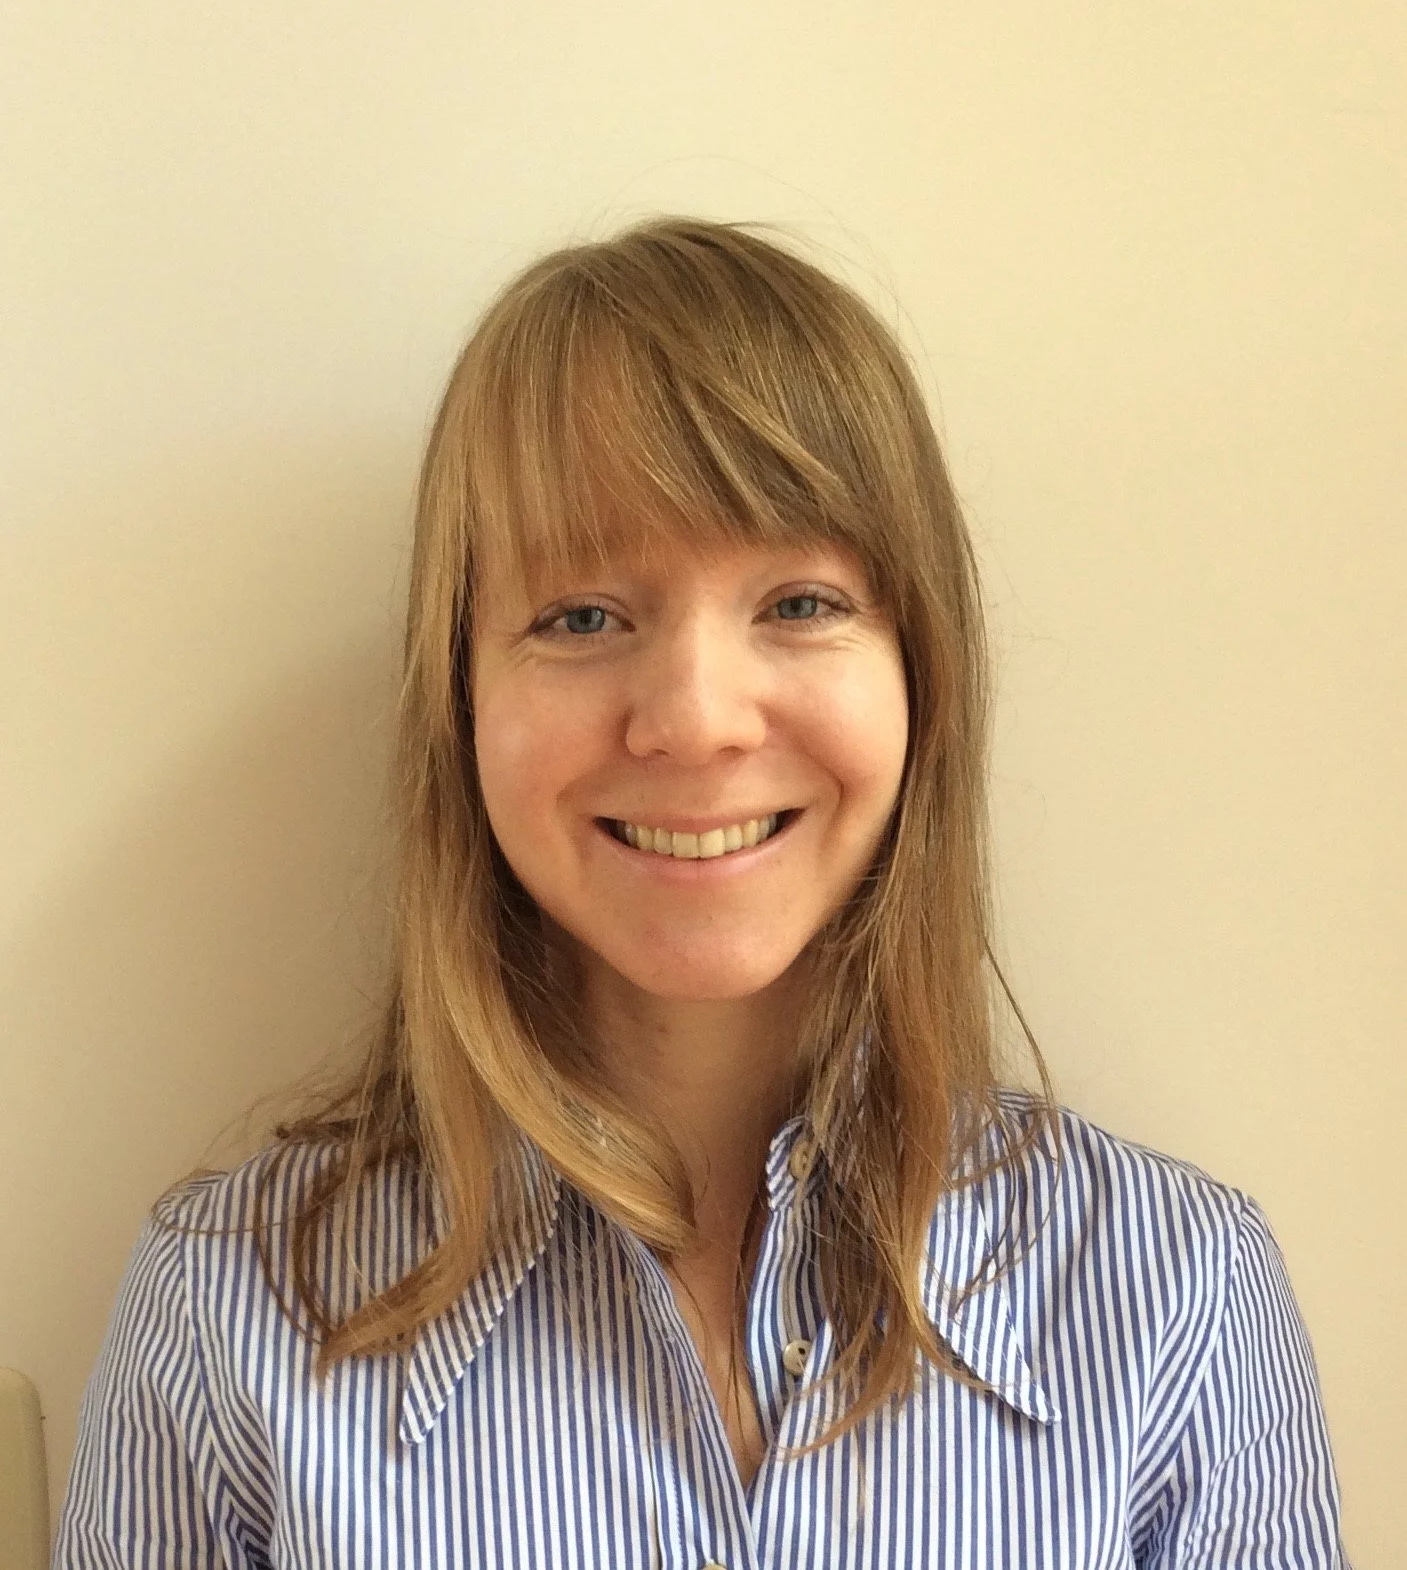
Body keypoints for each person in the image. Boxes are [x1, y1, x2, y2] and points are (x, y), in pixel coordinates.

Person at [54, 217, 1348, 1567]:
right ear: (459, 699)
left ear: (922, 675)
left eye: (797, 601)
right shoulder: (225, 1316)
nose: (693, 719)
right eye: (582, 616)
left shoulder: (1172, 1305)